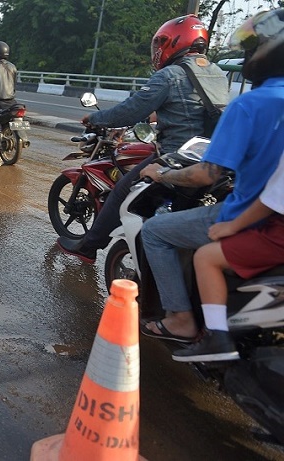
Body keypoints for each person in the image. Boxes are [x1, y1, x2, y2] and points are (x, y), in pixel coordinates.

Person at [138, 8, 284, 343]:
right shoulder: (216, 75)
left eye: (253, 47)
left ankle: (180, 318)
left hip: (246, 211)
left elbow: (207, 173)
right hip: (272, 213)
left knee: (155, 231)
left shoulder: (250, 104)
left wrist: (162, 175)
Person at [56, 15, 229, 263]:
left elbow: (130, 109)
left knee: (121, 191)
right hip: (210, 155)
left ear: (175, 42)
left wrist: (96, 118)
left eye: (161, 42)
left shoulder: (170, 75)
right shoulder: (216, 73)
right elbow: (190, 109)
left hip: (175, 156)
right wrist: (150, 118)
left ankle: (88, 247)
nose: (158, 50)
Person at [173, 151, 284, 362]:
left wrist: (233, 226)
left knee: (206, 257)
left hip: (278, 235)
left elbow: (271, 201)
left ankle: (216, 336)